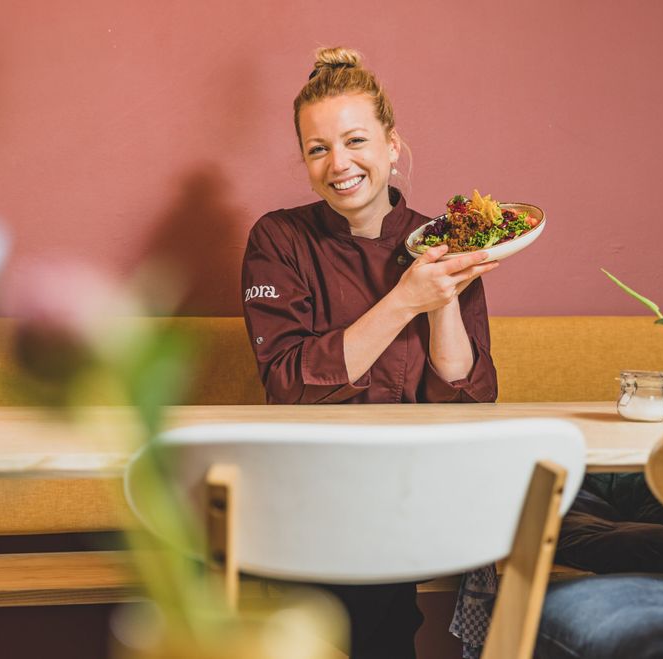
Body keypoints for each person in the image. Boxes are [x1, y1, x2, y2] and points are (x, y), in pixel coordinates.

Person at [240, 46, 500, 659]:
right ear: (304, 161)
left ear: (391, 145)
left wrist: (439, 295)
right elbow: (287, 384)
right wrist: (404, 300)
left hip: (412, 484)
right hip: (310, 481)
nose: (339, 163)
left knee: (364, 596)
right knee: (341, 592)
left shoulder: (442, 239)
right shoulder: (278, 239)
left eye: (356, 140)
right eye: (318, 148)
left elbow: (468, 397)